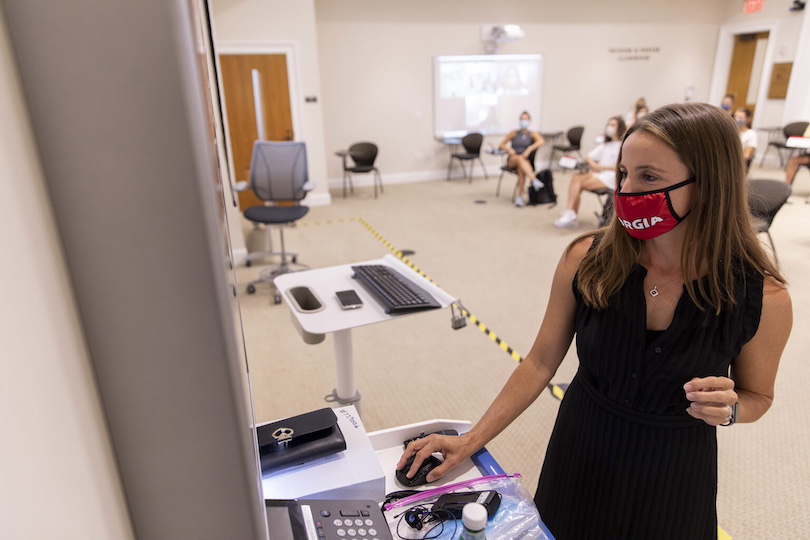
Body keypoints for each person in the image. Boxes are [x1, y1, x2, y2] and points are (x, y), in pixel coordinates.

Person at [397, 103, 792, 540]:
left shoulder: (765, 296)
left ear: (709, 185)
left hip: (675, 473)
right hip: (580, 451)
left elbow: (758, 396)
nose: (624, 191)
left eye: (648, 177)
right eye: (623, 173)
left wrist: (732, 407)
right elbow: (539, 363)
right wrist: (471, 440)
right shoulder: (588, 260)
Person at [554, 116, 626, 228]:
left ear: (619, 127)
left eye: (612, 125)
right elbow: (588, 157)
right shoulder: (605, 145)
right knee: (576, 178)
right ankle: (571, 213)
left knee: (579, 183)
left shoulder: (623, 146)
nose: (609, 127)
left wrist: (600, 167)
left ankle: (570, 213)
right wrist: (593, 165)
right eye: (608, 124)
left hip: (611, 177)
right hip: (600, 174)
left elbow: (621, 166)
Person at [498, 111, 545, 207]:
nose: (524, 121)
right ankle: (533, 179)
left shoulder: (531, 134)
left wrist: (529, 148)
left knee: (521, 170)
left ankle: (519, 198)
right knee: (519, 159)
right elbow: (501, 145)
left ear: (529, 121)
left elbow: (541, 141)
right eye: (522, 119)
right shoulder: (514, 133)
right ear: (519, 121)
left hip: (524, 161)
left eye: (526, 119)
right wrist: (509, 149)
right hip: (512, 159)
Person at [734, 108, 757, 172]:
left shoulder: (751, 134)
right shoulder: (731, 131)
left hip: (739, 163)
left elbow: (747, 155)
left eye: (740, 117)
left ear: (748, 119)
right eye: (736, 117)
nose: (737, 119)